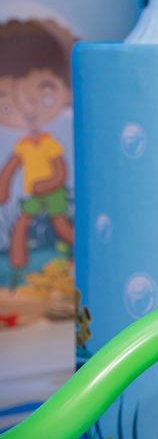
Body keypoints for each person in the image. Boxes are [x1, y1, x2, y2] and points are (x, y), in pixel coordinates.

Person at [0, 21, 75, 273]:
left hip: (50, 191)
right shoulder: (24, 146)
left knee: (60, 223)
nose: (28, 108)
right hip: (33, 192)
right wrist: (3, 189)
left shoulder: (48, 143)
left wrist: (50, 183)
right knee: (22, 220)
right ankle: (17, 262)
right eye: (7, 104)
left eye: (45, 95)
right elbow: (11, 166)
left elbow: (60, 170)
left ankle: (80, 251)